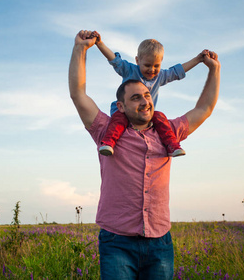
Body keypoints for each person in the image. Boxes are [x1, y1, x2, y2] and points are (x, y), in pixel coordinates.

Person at [68, 30, 221, 279]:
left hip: (160, 242)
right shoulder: (106, 131)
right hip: (117, 242)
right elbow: (78, 94)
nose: (145, 101)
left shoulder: (168, 132)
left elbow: (204, 108)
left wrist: (214, 70)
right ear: (121, 106)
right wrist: (80, 49)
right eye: (136, 97)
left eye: (148, 95)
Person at [90, 31, 207, 157]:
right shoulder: (130, 70)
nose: (151, 69)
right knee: (118, 120)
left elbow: (176, 72)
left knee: (160, 118)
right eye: (147, 65)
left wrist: (198, 59)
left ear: (161, 62)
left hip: (145, 114)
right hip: (126, 111)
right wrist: (99, 43)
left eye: (156, 66)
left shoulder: (160, 76)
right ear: (137, 60)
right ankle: (109, 142)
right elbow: (114, 60)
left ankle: (172, 145)